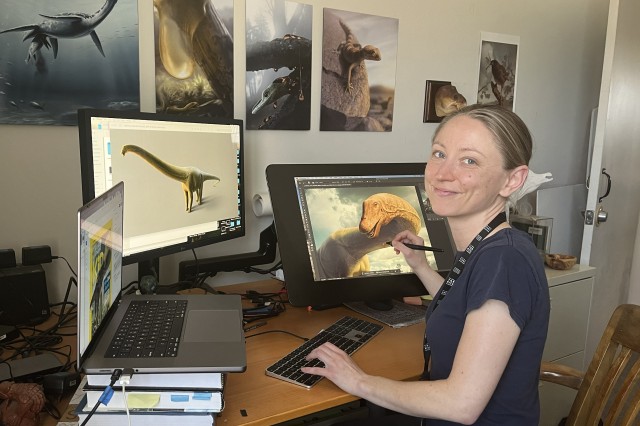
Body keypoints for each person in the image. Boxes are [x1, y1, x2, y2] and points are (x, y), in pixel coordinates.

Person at [302, 104, 551, 425]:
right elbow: (465, 306)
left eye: (469, 160)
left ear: (512, 180)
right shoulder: (494, 246)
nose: (442, 173)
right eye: (438, 153)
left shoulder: (504, 261)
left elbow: (460, 404)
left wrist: (358, 380)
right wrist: (419, 265)